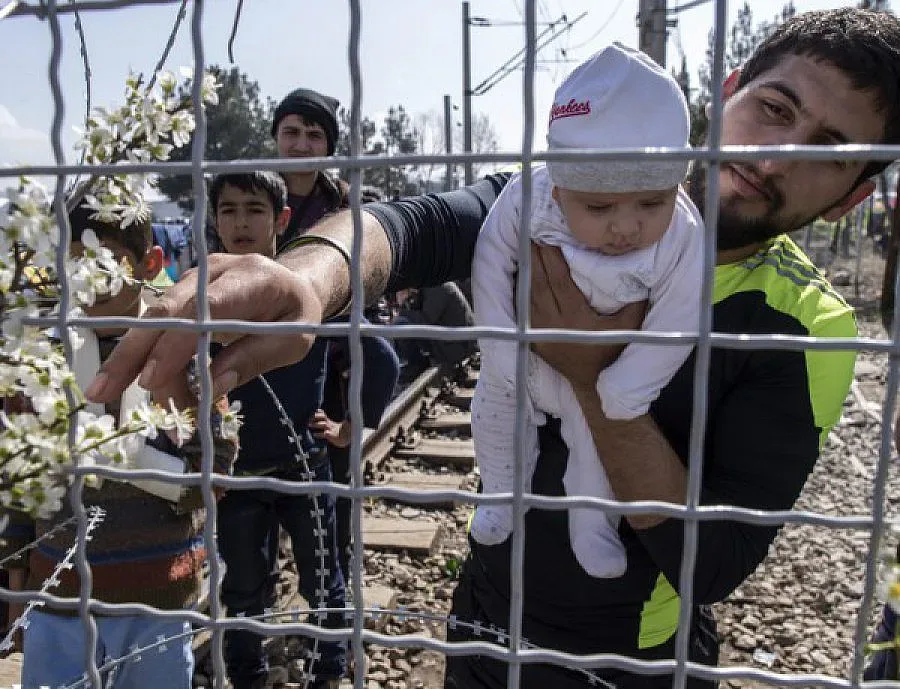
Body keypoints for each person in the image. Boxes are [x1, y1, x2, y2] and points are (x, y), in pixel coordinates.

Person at [88, 8, 900, 688]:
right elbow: (418, 224)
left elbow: (712, 559)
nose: (772, 156)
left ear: (854, 196)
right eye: (776, 108)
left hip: (634, 661)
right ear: (727, 94)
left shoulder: (806, 326)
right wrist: (310, 275)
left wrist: (590, 374)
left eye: (826, 146)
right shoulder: (560, 189)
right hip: (479, 622)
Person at [469, 44, 703, 578]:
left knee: (595, 447)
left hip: (601, 377)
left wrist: (624, 388)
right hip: (524, 360)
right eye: (598, 207)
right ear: (561, 185)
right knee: (493, 413)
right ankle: (502, 492)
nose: (627, 227)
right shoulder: (531, 195)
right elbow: (491, 256)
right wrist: (499, 344)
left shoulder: (684, 236)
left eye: (652, 203)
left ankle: (591, 526)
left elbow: (680, 318)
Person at [22, 196, 237, 689]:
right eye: (74, 262)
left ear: (151, 263)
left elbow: (216, 468)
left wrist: (123, 454)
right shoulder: (42, 357)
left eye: (106, 260)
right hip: (60, 595)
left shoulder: (181, 350)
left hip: (157, 596)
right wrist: (15, 567)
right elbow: (18, 476)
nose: (89, 277)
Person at [208, 171, 348, 689]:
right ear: (213, 218)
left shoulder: (304, 286)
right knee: (242, 590)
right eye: (228, 210)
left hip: (303, 467)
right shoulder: (206, 290)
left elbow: (372, 352)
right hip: (237, 476)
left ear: (282, 219)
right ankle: (248, 677)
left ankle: (328, 671)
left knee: (323, 582)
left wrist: (352, 425)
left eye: (254, 209)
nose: (240, 222)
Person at [271, 87, 349, 250]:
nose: (301, 146)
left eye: (314, 136)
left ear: (329, 147)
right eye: (291, 132)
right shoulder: (243, 195)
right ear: (276, 137)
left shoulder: (349, 202)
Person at [393, 283, 477, 382]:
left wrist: (402, 310)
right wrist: (407, 300)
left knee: (400, 324)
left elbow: (425, 321)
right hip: (453, 341)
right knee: (403, 322)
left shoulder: (439, 288)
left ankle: (416, 366)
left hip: (457, 346)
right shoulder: (433, 287)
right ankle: (417, 363)